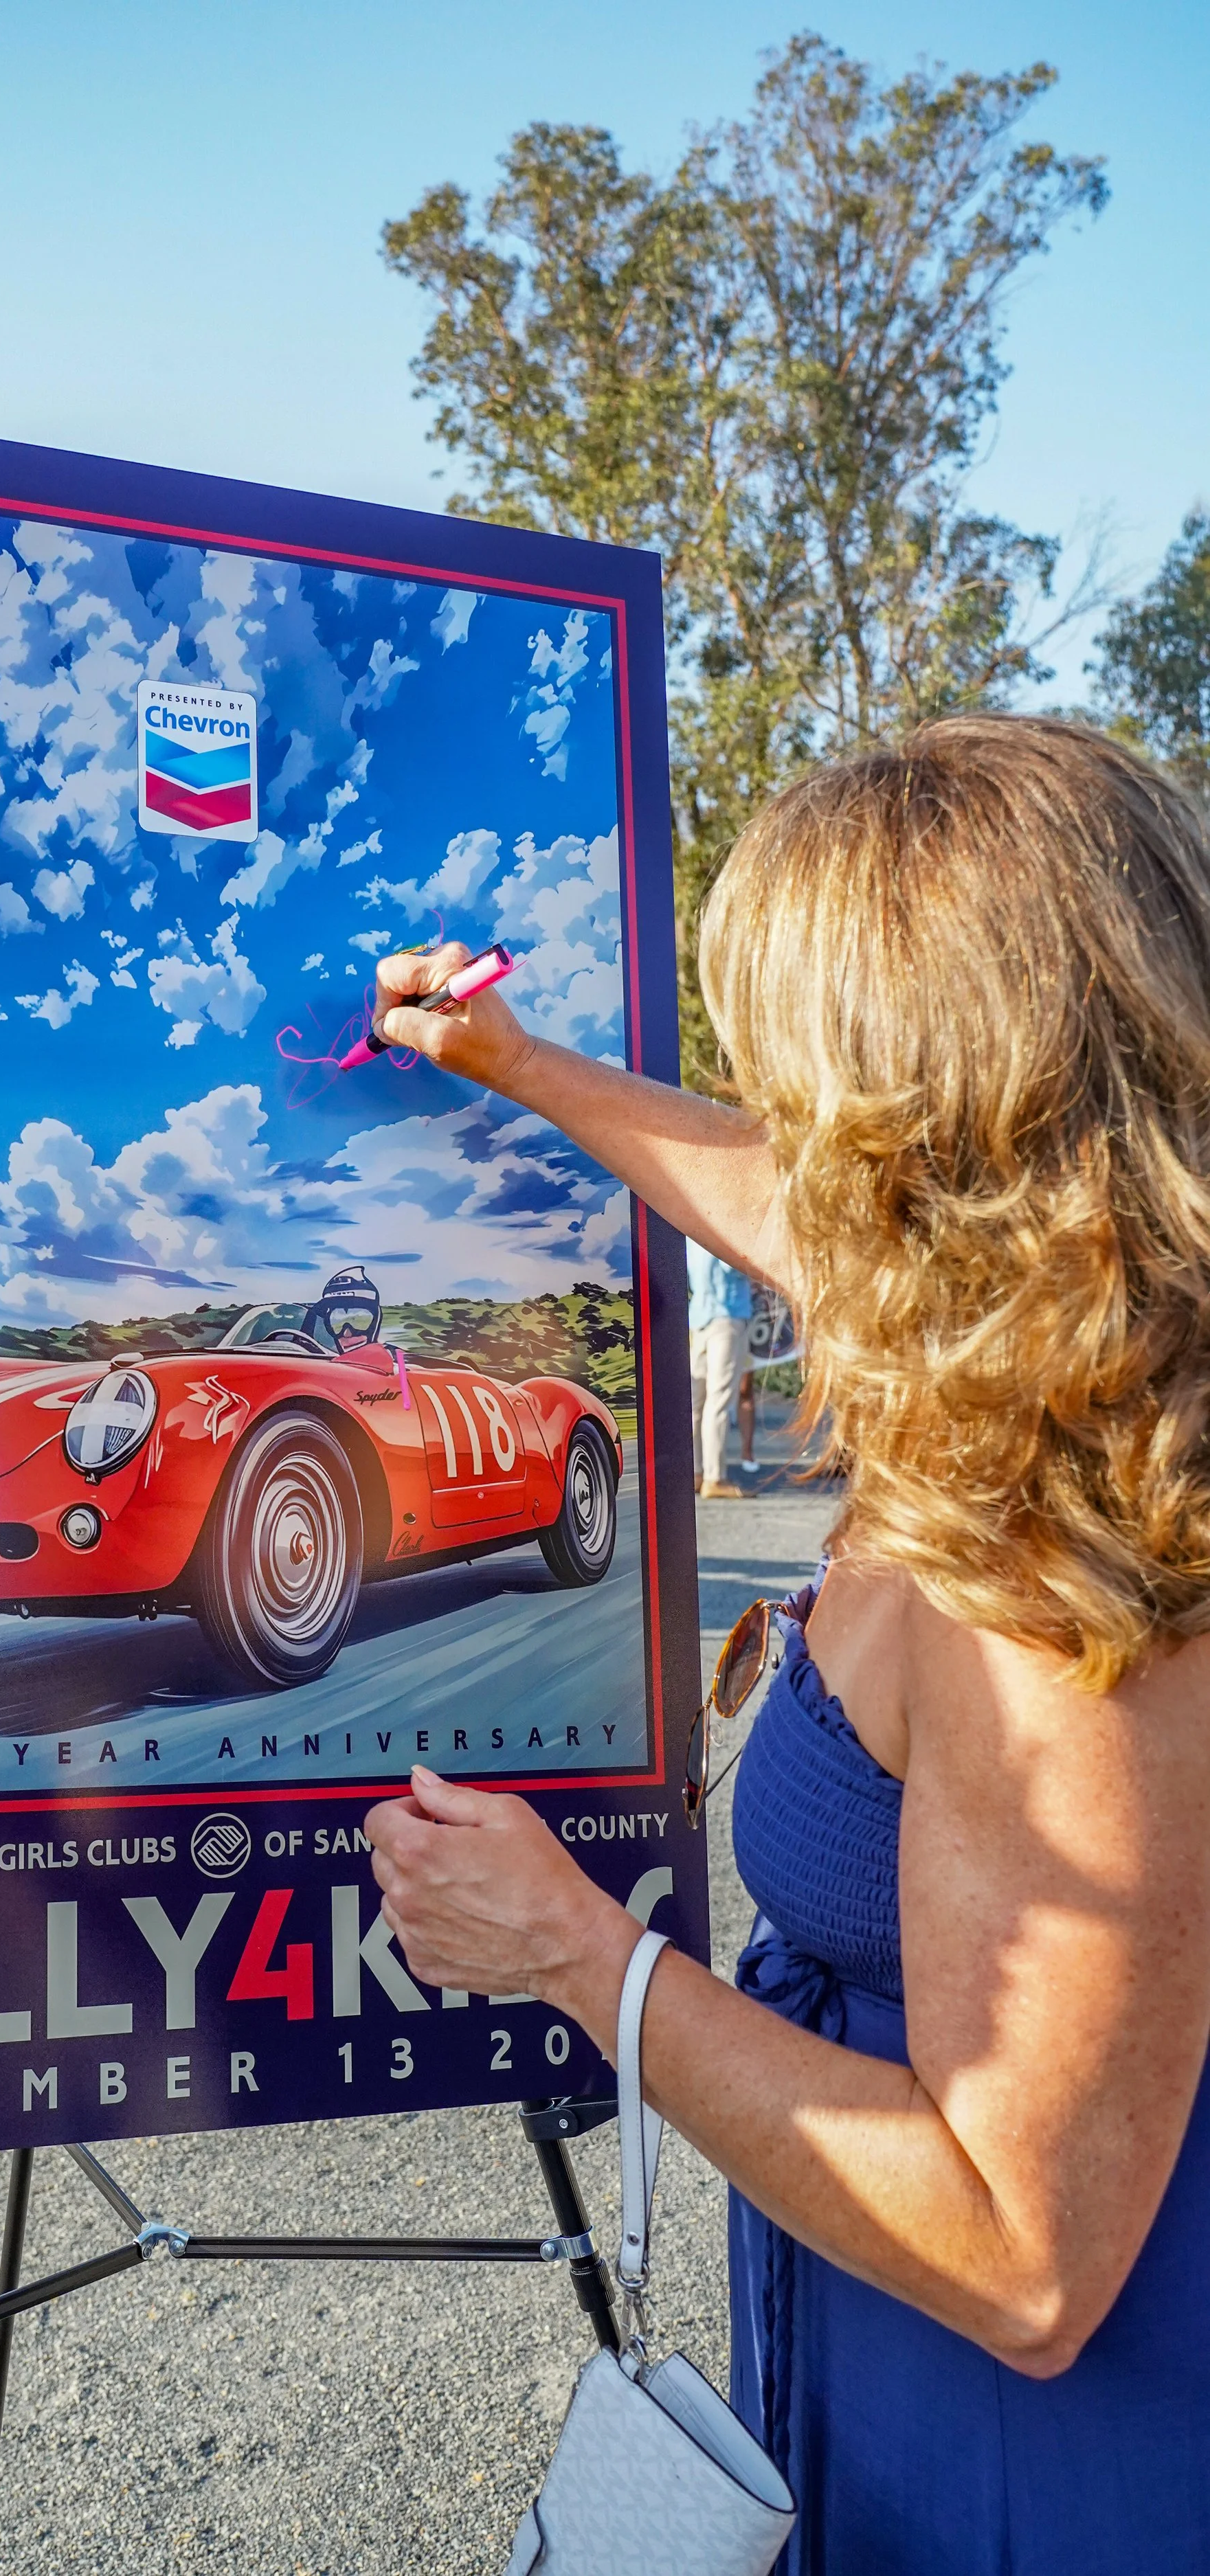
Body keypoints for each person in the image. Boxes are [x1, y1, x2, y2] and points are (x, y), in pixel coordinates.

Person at [362, 718, 1210, 2573]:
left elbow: (1025, 2256)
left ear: (923, 1112)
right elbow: (763, 1196)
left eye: (800, 1074)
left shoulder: (1053, 1557)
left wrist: (576, 1956)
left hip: (1049, 2451)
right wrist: (521, 1065)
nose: (778, 1118)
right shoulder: (1074, 1343)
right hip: (915, 2354)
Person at [686, 1237, 754, 1496]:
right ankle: (715, 1477)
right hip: (728, 1314)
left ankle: (695, 1472)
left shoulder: (693, 1236)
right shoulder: (725, 1231)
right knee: (720, 1400)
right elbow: (735, 1266)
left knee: (696, 1403)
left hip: (700, 1317)